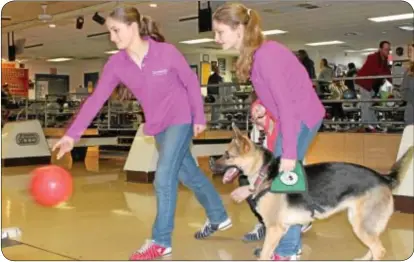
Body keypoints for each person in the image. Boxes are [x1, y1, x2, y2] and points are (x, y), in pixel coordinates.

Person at [52, 6, 231, 260]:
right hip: (157, 126)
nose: (112, 37)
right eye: (110, 32)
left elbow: (191, 83)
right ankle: (219, 216)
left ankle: (161, 241)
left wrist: (199, 117)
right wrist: (72, 135)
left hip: (180, 118)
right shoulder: (117, 63)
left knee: (164, 177)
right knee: (189, 175)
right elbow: (96, 100)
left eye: (116, 30)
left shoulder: (165, 52)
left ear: (133, 27)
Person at [212, 3, 325, 260]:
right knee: (276, 180)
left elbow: (287, 103)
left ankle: (287, 251)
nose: (216, 39)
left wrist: (288, 154)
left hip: (301, 118)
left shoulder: (266, 55)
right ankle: (284, 244)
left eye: (220, 32)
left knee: (283, 184)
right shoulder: (255, 56)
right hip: (292, 118)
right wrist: (262, 108)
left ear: (239, 28)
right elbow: (278, 96)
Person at [355, 41, 391, 132]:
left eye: (389, 49)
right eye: (386, 49)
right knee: (366, 105)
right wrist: (387, 85)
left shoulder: (384, 60)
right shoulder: (373, 58)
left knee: (371, 105)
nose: (388, 51)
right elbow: (379, 72)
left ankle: (373, 125)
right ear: (380, 49)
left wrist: (390, 87)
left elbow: (387, 74)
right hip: (364, 83)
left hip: (372, 85)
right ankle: (367, 125)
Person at [402, 43, 414, 126]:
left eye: (411, 51)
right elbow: (404, 89)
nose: (409, 54)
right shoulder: (409, 70)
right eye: (408, 51)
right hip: (410, 105)